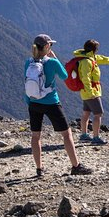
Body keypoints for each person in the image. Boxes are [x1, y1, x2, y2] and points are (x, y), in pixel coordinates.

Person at [25, 34, 92, 176]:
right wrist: (55, 58)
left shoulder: (28, 62)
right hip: (51, 102)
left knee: (35, 136)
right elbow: (64, 76)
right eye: (51, 45)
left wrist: (29, 101)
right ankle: (76, 166)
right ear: (47, 46)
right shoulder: (52, 63)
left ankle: (39, 169)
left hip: (33, 102)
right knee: (66, 134)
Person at [73, 39, 109, 145]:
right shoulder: (87, 62)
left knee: (86, 113)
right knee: (98, 114)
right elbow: (85, 77)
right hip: (91, 92)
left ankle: (84, 135)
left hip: (86, 91)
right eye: (97, 49)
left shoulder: (90, 58)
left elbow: (103, 59)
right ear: (93, 49)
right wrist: (91, 92)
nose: (97, 51)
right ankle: (95, 137)